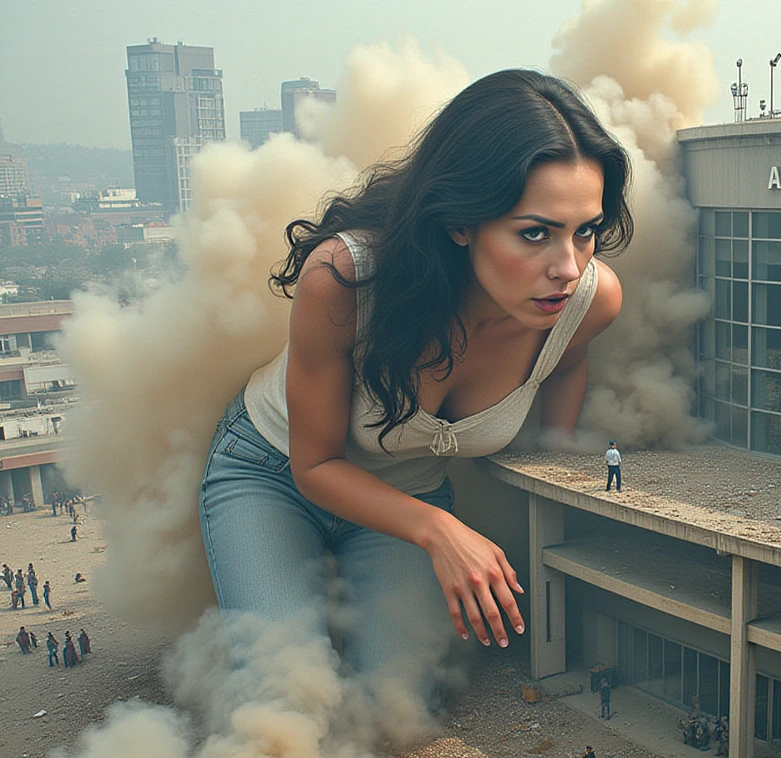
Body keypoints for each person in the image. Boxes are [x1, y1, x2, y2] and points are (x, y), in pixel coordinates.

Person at [197, 70, 630, 688]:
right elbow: (314, 466)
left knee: (395, 708)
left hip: (409, 499)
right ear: (461, 222)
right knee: (283, 694)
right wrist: (443, 532)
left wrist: (556, 456)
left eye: (584, 231)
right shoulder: (346, 278)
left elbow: (568, 359)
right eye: (534, 233)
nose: (567, 266)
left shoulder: (587, 303)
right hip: (274, 473)